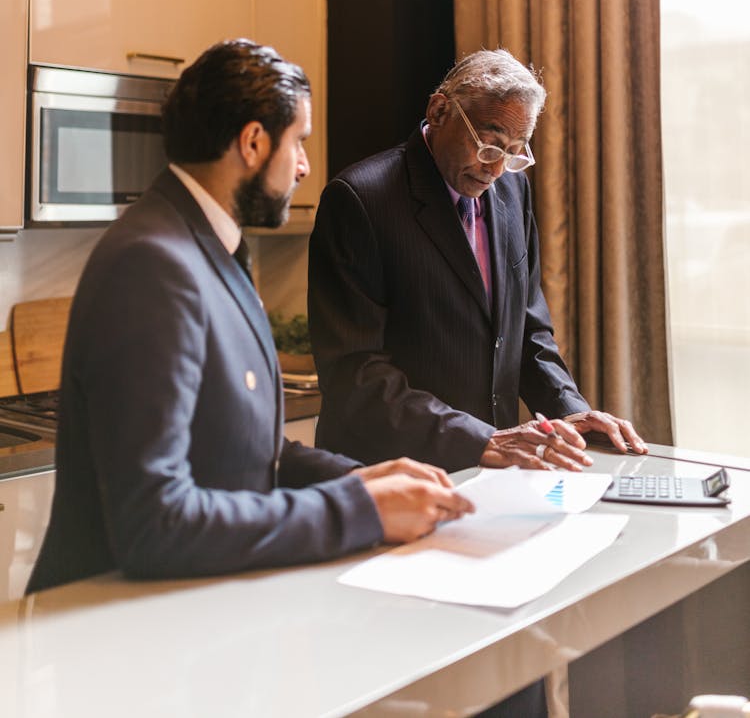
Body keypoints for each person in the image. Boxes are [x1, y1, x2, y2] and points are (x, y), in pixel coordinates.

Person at [27, 39, 473, 594]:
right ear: (254, 142)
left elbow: (240, 447)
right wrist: (357, 509)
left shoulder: (208, 246)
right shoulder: (152, 264)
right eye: (300, 143)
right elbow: (155, 522)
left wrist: (359, 476)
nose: (307, 166)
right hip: (111, 631)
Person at [308, 48, 648, 718]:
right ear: (440, 111)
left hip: (495, 497)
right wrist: (487, 438)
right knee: (417, 692)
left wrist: (569, 411)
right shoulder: (362, 199)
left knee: (508, 677)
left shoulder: (510, 190)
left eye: (515, 152)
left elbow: (527, 326)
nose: (496, 166)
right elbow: (358, 377)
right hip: (395, 497)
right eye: (490, 142)